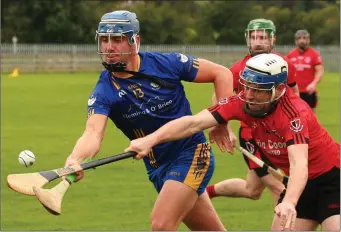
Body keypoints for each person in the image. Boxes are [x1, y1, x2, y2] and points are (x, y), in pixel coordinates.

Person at [125, 53, 340, 231]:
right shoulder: (242, 101)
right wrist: (150, 140)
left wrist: (290, 202)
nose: (250, 95)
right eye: (247, 86)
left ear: (278, 91)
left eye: (259, 89)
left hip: (332, 179)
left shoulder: (294, 114)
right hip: (300, 185)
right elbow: (192, 123)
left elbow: (299, 163)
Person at [63, 10, 234, 231]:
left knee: (161, 225)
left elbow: (222, 74)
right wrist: (75, 158)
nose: (108, 47)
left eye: (117, 40)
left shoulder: (166, 64)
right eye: (104, 40)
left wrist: (222, 123)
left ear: (135, 41)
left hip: (192, 153)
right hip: (157, 167)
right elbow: (93, 133)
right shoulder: (104, 91)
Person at [208, 19, 299, 206]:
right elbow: (218, 99)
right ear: (247, 40)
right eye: (253, 37)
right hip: (253, 137)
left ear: (272, 39)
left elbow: (295, 95)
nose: (257, 41)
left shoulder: (284, 64)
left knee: (253, 190)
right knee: (280, 187)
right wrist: (225, 128)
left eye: (263, 37)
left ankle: (204, 194)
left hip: (279, 134)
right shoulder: (238, 69)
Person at [286, 29, 324, 113]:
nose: (302, 40)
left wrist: (314, 83)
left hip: (309, 91)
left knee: (311, 115)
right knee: (294, 115)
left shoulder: (314, 54)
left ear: (308, 40)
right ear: (296, 40)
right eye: (299, 38)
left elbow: (320, 71)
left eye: (304, 38)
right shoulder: (290, 55)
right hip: (294, 92)